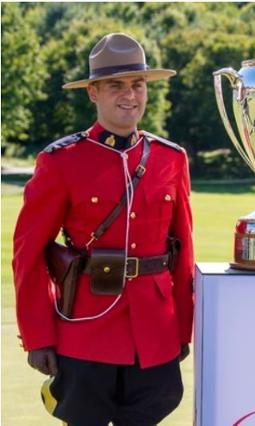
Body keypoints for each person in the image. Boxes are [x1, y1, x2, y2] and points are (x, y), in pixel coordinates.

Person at [12, 33, 194, 425]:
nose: (130, 95)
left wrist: (183, 328)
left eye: (138, 84)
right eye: (116, 85)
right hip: (86, 329)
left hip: (155, 331)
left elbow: (183, 250)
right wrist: (38, 335)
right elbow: (28, 254)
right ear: (93, 92)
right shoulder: (61, 161)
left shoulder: (171, 159)